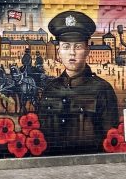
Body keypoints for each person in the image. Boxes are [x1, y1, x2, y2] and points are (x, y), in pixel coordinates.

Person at [39, 11, 118, 154]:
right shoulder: (50, 89)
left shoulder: (102, 89)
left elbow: (111, 138)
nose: (72, 53)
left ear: (87, 50)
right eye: (66, 46)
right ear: (58, 51)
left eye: (78, 46)